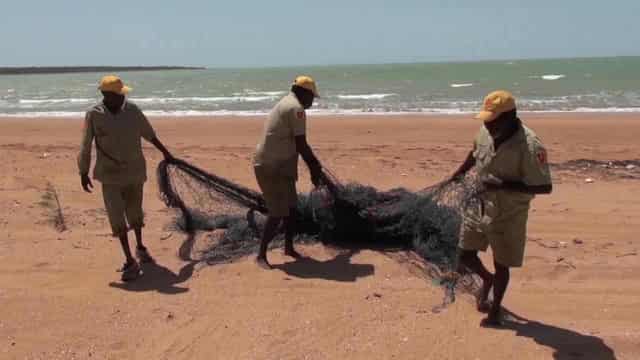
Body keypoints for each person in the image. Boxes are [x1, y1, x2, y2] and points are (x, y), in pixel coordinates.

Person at [449, 90, 552, 326]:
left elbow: (545, 186)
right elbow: (474, 153)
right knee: (465, 254)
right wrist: (459, 173)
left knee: (502, 263)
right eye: (487, 119)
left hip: (509, 212)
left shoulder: (530, 145)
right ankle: (487, 280)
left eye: (494, 120)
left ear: (511, 116)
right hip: (480, 204)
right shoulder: (486, 129)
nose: (488, 124)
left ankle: (495, 309)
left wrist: (503, 185)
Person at [78, 75, 174, 282]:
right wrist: (83, 171)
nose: (123, 98)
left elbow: (150, 134)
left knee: (135, 212)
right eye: (119, 95)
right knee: (116, 217)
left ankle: (140, 247)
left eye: (123, 94)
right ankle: (129, 260)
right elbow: (85, 145)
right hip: (109, 175)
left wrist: (166, 153)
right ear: (106, 95)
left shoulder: (132, 111)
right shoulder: (94, 115)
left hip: (134, 172)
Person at [253, 76, 325, 269]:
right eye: (311, 97)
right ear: (304, 93)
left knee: (292, 209)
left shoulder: (287, 102)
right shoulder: (296, 109)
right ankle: (261, 255)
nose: (312, 102)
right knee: (277, 212)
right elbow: (302, 145)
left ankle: (288, 248)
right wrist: (314, 168)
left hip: (282, 165)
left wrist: (314, 167)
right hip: (270, 166)